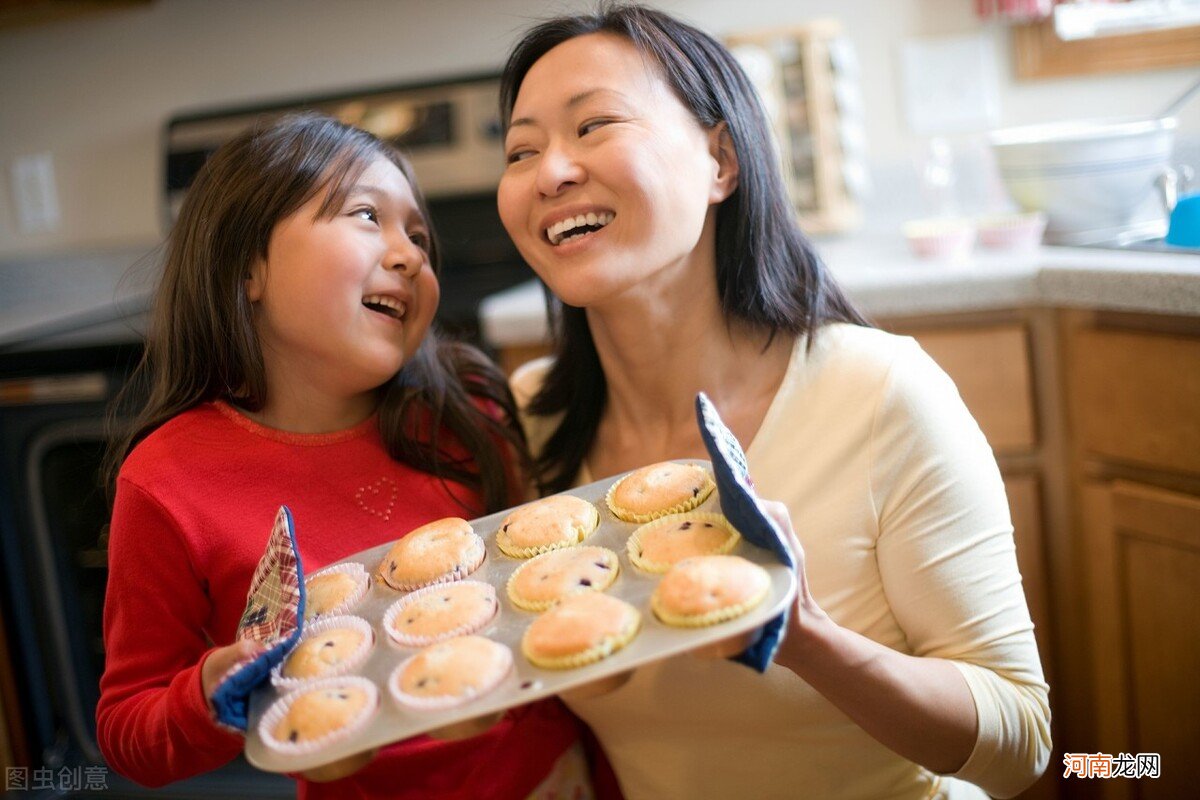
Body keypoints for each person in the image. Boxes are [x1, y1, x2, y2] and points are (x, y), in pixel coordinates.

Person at [496, 5, 1051, 799]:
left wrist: (808, 638)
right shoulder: (527, 419)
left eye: (593, 127)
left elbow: (1023, 741)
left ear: (720, 161)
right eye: (521, 149)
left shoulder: (878, 391)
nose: (550, 172)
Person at [97, 113, 589, 799]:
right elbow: (129, 731)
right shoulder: (166, 483)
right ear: (248, 266)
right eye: (367, 215)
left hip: (554, 780)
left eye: (419, 236)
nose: (411, 255)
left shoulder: (464, 409)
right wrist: (214, 687)